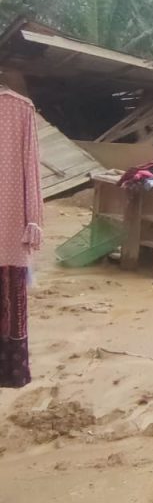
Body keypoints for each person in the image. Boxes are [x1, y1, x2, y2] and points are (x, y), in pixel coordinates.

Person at [0, 86, 43, 388]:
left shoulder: (20, 109)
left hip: (10, 226)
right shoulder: (20, 108)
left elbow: (31, 168)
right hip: (9, 227)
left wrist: (33, 221)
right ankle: (10, 374)